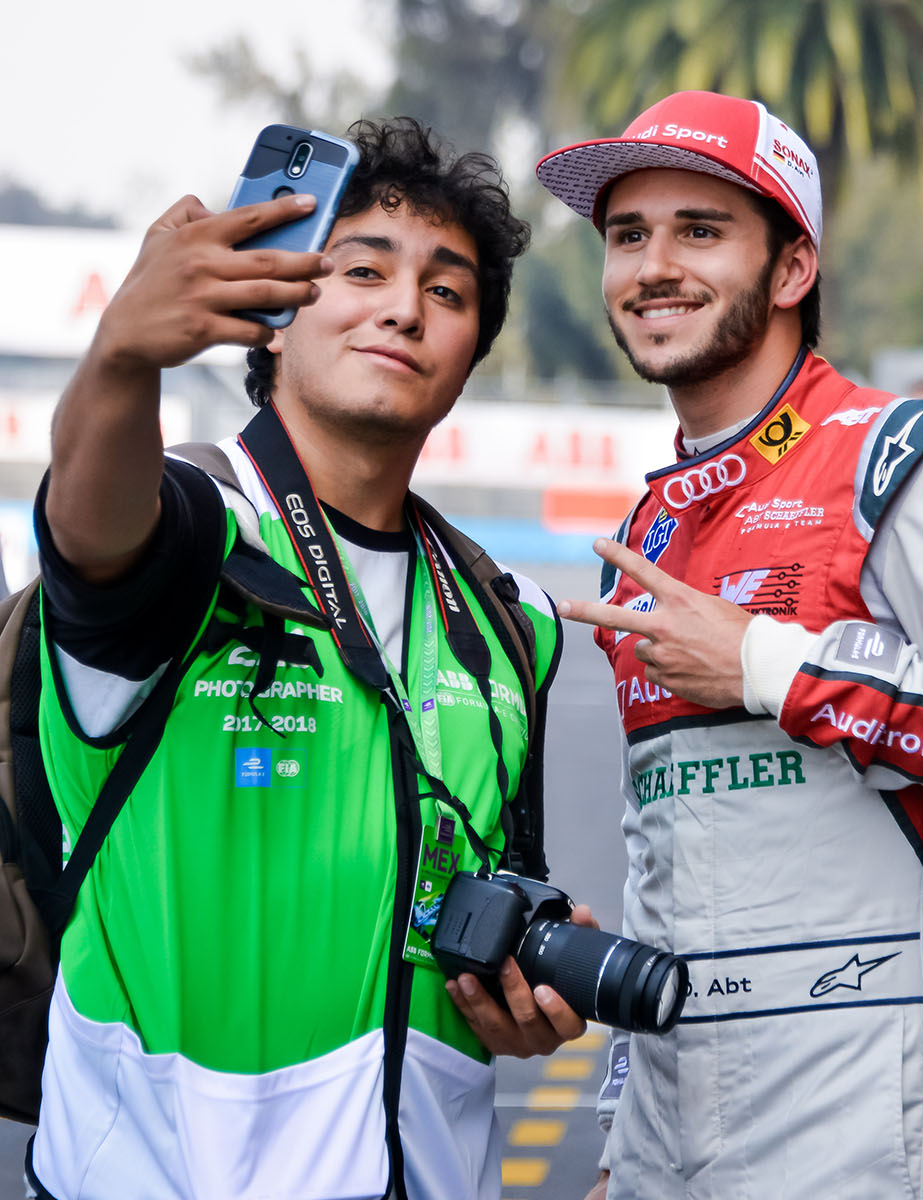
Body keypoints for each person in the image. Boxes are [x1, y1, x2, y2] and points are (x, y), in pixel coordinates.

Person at [536, 90, 923, 1200]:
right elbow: (668, 851)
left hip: (864, 1104)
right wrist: (625, 1129)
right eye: (627, 235)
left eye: (699, 231)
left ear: (792, 268)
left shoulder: (911, 455)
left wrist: (766, 666)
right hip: (670, 1117)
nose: (654, 264)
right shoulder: (652, 528)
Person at [29, 119, 580, 1199]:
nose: (403, 306)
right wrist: (121, 356)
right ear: (275, 319)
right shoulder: (193, 537)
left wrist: (521, 994)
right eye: (360, 269)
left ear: (468, 356)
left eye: (449, 293)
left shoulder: (512, 626)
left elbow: (471, 915)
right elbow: (92, 528)